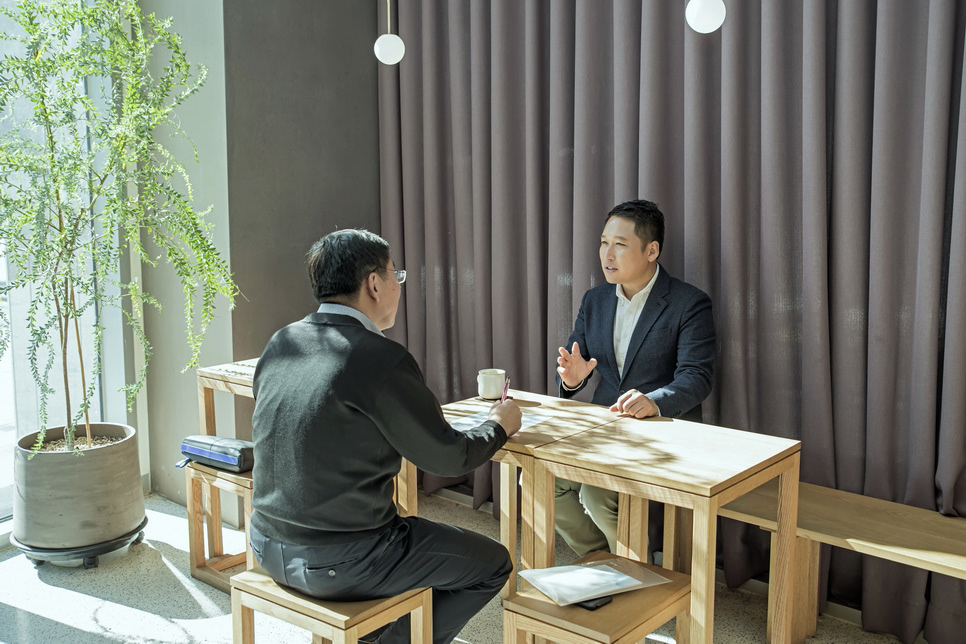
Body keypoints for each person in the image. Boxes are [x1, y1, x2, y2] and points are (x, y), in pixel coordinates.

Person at [249, 228, 522, 644]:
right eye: (397, 274)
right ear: (374, 284)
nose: (399, 286)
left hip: (266, 543)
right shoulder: (380, 357)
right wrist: (499, 424)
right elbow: (448, 457)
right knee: (493, 563)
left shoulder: (282, 341)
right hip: (343, 560)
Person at [554, 199, 716, 556]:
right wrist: (572, 380)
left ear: (651, 251)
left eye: (620, 244)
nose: (607, 254)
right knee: (539, 480)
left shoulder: (689, 303)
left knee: (596, 494)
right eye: (603, 243)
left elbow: (697, 376)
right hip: (605, 427)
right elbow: (574, 363)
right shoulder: (594, 300)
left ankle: (635, 570)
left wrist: (654, 402)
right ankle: (604, 560)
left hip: (661, 432)